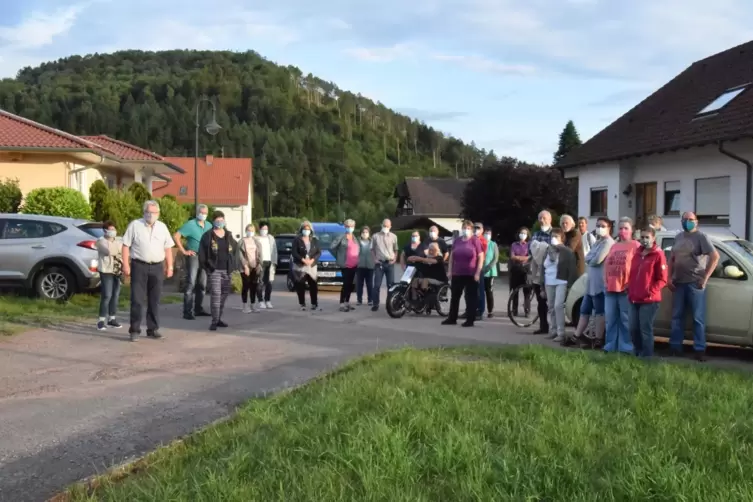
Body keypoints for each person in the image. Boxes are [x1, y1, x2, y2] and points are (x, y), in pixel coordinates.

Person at [667, 211, 719, 361]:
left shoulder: (701, 237)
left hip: (695, 283)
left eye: (691, 219)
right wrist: (669, 278)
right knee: (677, 317)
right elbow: (672, 258)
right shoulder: (678, 237)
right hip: (678, 283)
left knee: (697, 318)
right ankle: (675, 347)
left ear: (697, 222)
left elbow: (715, 256)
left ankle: (699, 350)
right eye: (685, 219)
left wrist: (705, 278)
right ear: (681, 221)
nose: (688, 222)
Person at [122, 200, 175, 342]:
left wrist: (169, 266)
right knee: (137, 299)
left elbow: (168, 247)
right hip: (139, 265)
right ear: (144, 212)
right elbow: (126, 245)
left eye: (153, 213)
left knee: (155, 300)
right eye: (148, 212)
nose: (150, 215)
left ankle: (153, 329)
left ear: (158, 214)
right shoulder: (135, 225)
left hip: (157, 266)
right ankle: (134, 330)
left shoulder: (162, 228)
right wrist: (125, 265)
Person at [568, 217, 614, 348]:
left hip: (599, 284)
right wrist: (591, 258)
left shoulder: (609, 243)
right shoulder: (598, 242)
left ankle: (599, 339)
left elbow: (597, 260)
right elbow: (587, 256)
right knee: (584, 311)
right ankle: (576, 336)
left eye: (603, 226)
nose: (600, 228)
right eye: (598, 225)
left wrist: (591, 258)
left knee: (599, 312)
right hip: (590, 283)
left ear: (609, 228)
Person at [628, 226, 668, 358]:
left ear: (653, 238)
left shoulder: (658, 254)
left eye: (647, 237)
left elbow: (662, 279)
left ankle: (647, 357)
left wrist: (650, 291)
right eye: (642, 237)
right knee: (633, 328)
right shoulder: (637, 253)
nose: (644, 240)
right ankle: (637, 352)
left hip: (649, 300)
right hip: (634, 297)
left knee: (645, 329)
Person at [603, 217, 640, 354]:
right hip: (610, 288)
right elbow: (607, 266)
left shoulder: (635, 246)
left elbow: (637, 268)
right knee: (611, 319)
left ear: (631, 230)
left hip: (625, 289)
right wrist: (605, 282)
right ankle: (610, 346)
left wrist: (631, 284)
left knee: (625, 320)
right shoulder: (614, 246)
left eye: (626, 228)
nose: (622, 231)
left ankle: (627, 348)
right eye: (620, 228)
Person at [198, 211, 237, 330]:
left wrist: (232, 264)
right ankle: (214, 321)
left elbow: (234, 249)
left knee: (224, 294)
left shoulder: (228, 235)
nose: (220, 222)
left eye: (221, 219)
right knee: (215, 295)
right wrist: (207, 267)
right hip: (214, 270)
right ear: (213, 221)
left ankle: (219, 317)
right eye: (217, 220)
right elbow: (202, 253)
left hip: (227, 270)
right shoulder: (208, 236)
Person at [442, 220, 484, 327]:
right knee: (455, 296)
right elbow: (452, 257)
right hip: (457, 273)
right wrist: (450, 271)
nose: (466, 230)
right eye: (464, 228)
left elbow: (481, 256)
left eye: (468, 228)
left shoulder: (475, 241)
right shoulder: (457, 241)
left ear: (471, 230)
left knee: (471, 297)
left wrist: (477, 272)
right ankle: (452, 318)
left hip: (471, 273)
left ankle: (470, 319)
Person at [174, 204, 211, 320]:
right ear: (197, 213)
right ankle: (187, 311)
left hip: (205, 257)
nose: (203, 215)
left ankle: (198, 309)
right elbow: (176, 236)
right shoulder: (190, 225)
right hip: (194, 255)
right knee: (191, 282)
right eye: (202, 212)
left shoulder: (209, 225)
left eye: (205, 213)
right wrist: (184, 251)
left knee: (202, 284)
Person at [541, 228, 578, 342]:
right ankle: (553, 330)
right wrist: (542, 285)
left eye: (556, 236)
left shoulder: (567, 252)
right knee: (551, 307)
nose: (553, 238)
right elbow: (543, 267)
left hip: (561, 281)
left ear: (562, 238)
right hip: (549, 281)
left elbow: (572, 269)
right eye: (552, 236)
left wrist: (570, 285)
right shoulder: (548, 249)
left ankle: (561, 333)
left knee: (558, 306)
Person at [96, 220, 123, 330]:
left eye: (114, 229)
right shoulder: (100, 241)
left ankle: (112, 318)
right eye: (110, 229)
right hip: (106, 270)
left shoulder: (119, 240)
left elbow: (125, 250)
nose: (112, 231)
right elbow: (109, 251)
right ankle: (101, 320)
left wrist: (118, 249)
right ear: (105, 231)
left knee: (115, 295)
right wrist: (118, 249)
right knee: (107, 295)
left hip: (117, 270)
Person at [530, 210, 553, 334]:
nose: (541, 220)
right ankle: (543, 327)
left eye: (544, 218)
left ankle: (554, 328)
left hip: (550, 272)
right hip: (538, 272)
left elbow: (553, 251)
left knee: (553, 302)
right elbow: (532, 250)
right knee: (541, 302)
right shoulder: (536, 234)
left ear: (550, 220)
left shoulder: (554, 233)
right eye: (539, 218)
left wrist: (539, 248)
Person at [292, 220, 321, 311]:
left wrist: (312, 260)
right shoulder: (297, 240)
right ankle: (302, 304)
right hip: (300, 266)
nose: (306, 231)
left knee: (313, 285)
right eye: (305, 229)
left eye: (308, 229)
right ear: (301, 230)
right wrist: (302, 259)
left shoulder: (315, 239)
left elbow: (318, 252)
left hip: (311, 266)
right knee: (300, 285)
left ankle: (314, 303)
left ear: (311, 230)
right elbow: (294, 252)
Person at [331, 218, 359, 311]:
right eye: (348, 226)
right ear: (345, 227)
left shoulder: (355, 238)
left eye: (351, 226)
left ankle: (347, 302)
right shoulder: (341, 237)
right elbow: (332, 247)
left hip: (354, 265)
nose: (350, 228)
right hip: (345, 265)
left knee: (351, 285)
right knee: (346, 284)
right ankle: (341, 303)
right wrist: (339, 257)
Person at [371, 218, 398, 312]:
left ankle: (389, 304)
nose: (385, 227)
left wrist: (394, 259)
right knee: (377, 285)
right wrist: (374, 259)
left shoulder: (394, 237)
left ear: (390, 226)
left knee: (391, 286)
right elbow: (372, 249)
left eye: (387, 226)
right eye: (384, 225)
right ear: (381, 225)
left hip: (390, 263)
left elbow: (396, 250)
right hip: (380, 263)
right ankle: (375, 304)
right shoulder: (375, 236)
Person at [238, 223, 262, 313]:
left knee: (254, 286)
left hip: (255, 266)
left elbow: (260, 254)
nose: (250, 232)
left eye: (252, 231)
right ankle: (244, 305)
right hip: (245, 267)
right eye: (249, 230)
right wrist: (245, 266)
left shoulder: (256, 241)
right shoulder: (242, 241)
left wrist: (259, 264)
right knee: (246, 285)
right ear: (246, 231)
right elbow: (240, 256)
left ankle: (252, 304)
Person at [508, 227, 531, 317]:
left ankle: (527, 310)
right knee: (515, 291)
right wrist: (523, 258)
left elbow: (530, 257)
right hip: (516, 269)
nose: (523, 235)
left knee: (527, 292)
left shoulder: (529, 244)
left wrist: (519, 257)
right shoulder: (514, 244)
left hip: (526, 270)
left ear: (527, 235)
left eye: (525, 233)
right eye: (521, 233)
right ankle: (514, 310)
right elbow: (512, 256)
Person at [256, 221, 277, 309]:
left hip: (270, 262)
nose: (265, 230)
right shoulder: (256, 238)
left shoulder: (271, 238)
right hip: (261, 263)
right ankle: (260, 301)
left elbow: (274, 250)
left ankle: (267, 300)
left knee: (269, 282)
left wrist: (275, 263)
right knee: (260, 282)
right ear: (259, 229)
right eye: (263, 229)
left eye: (266, 229)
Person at [481, 227, 499, 318]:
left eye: (489, 233)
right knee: (480, 291)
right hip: (480, 271)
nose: (487, 235)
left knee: (489, 291)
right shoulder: (480, 243)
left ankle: (490, 310)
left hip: (490, 272)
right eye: (486, 233)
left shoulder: (493, 244)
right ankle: (480, 309)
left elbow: (495, 258)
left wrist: (488, 267)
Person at [356, 226, 375, 306]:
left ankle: (370, 299)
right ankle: (359, 300)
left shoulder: (372, 242)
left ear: (369, 233)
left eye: (366, 232)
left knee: (369, 283)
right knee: (359, 284)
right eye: (363, 232)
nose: (365, 234)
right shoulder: (357, 241)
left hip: (370, 265)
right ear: (361, 233)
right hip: (360, 265)